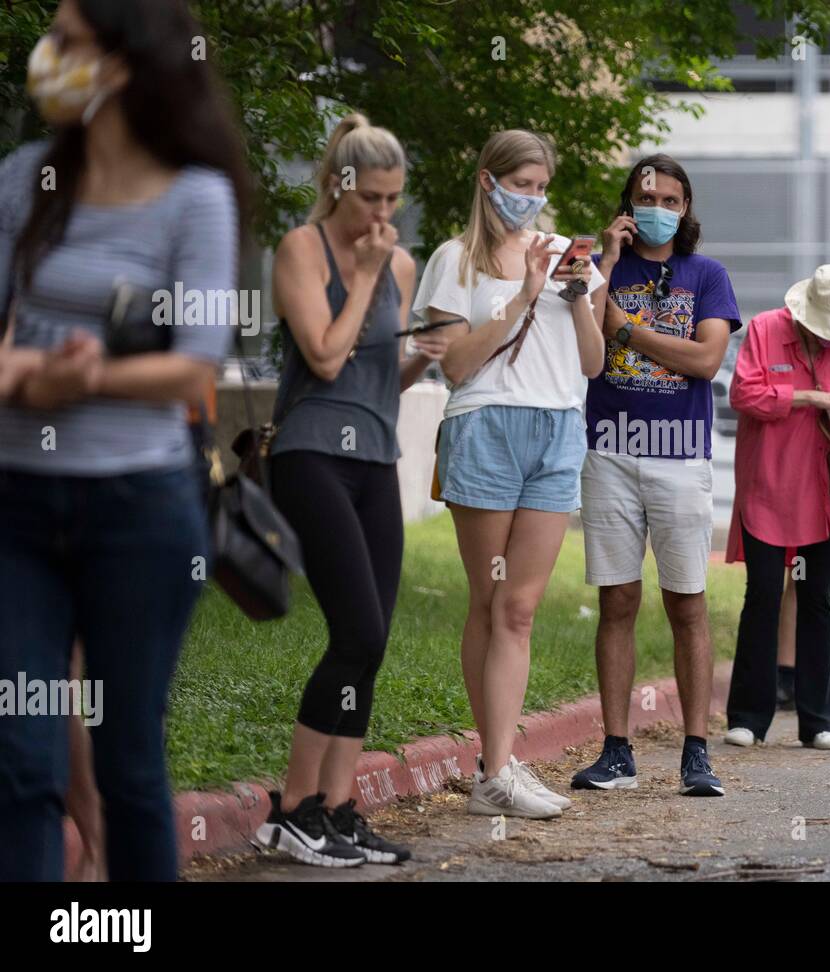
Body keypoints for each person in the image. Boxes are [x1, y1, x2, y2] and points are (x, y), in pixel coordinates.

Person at [0, 0, 249, 881]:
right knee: (20, 761)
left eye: (65, 39)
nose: (46, 55)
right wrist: (26, 373)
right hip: (17, 507)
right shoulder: (25, 178)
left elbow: (195, 367)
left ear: (123, 65)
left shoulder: (196, 198)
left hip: (137, 509)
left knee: (128, 762)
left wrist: (79, 379)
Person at [254, 115, 433, 868]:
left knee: (373, 643)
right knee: (355, 629)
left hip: (373, 458)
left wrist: (421, 359)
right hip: (309, 455)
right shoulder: (303, 249)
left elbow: (373, 385)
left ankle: (338, 807)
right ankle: (292, 811)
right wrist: (359, 276)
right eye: (372, 200)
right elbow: (326, 358)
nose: (384, 217)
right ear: (339, 186)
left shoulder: (400, 266)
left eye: (395, 201)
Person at [415, 130, 605, 818]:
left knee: (521, 606)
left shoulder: (566, 257)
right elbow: (456, 365)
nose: (530, 199)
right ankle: (494, 768)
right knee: (490, 600)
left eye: (538, 187)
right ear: (487, 180)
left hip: (558, 428)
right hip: (485, 425)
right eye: (518, 183)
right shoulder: (451, 262)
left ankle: (499, 769)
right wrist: (523, 295)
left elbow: (591, 363)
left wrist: (576, 294)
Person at [570, 155, 741, 796]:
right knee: (616, 599)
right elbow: (585, 345)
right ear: (626, 204)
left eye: (672, 199)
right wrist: (607, 266)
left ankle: (697, 752)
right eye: (648, 197)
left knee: (686, 602)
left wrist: (632, 332)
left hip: (680, 455)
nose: (659, 208)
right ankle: (617, 750)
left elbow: (705, 360)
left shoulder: (708, 274)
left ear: (686, 208)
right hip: (609, 450)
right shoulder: (594, 265)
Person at [723, 265, 830, 751]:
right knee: (764, 596)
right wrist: (810, 396)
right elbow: (743, 393)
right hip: (768, 484)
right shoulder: (766, 328)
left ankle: (818, 719)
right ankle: (749, 715)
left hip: (823, 489)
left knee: (816, 599)